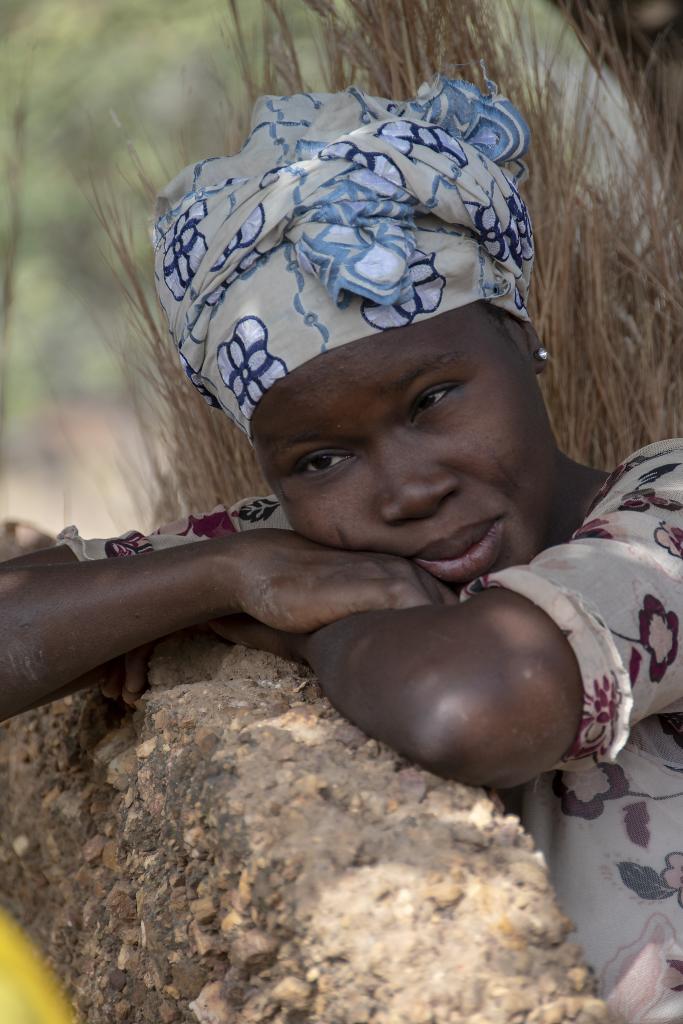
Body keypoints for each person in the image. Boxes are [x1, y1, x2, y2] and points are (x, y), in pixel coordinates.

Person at [1, 75, 682, 1020]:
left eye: (432, 401)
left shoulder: (664, 518)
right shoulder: (293, 550)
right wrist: (228, 571)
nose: (405, 489)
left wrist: (286, 626)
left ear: (521, 337)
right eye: (320, 458)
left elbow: (464, 706)